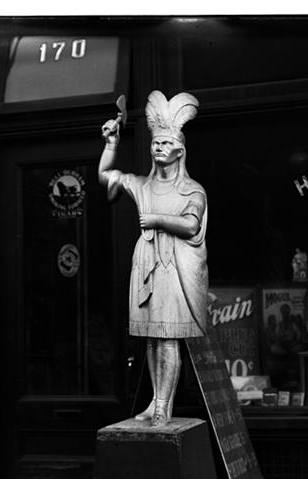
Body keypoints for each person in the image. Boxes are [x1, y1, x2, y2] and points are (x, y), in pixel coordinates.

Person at [98, 90, 208, 427]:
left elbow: (191, 226)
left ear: (180, 151)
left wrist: (157, 219)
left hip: (172, 265)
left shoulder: (192, 190)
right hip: (146, 261)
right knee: (151, 335)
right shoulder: (142, 185)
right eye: (155, 142)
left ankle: (163, 406)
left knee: (168, 335)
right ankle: (155, 401)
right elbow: (106, 176)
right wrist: (112, 144)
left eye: (166, 143)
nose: (159, 146)